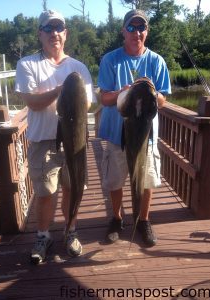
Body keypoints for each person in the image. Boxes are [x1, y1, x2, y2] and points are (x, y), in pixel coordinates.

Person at [15, 9, 96, 264]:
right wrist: (60, 91)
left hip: (75, 140)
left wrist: (71, 97)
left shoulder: (79, 67)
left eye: (58, 28)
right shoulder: (27, 64)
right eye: (48, 29)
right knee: (45, 191)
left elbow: (88, 105)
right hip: (44, 140)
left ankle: (70, 231)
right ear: (40, 33)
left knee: (73, 188)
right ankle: (43, 235)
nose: (54, 34)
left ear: (66, 33)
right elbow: (31, 101)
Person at [97, 9, 171, 247]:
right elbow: (104, 98)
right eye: (131, 27)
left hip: (146, 137)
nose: (136, 32)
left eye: (141, 28)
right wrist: (124, 92)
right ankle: (117, 219)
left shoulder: (157, 61)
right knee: (115, 180)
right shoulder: (110, 60)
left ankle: (143, 220)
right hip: (117, 135)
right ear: (123, 31)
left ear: (146, 32)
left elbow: (163, 100)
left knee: (145, 179)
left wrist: (151, 92)